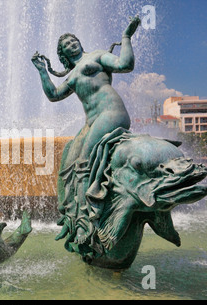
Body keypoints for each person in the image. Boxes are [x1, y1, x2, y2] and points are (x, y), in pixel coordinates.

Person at [32, 16, 141, 247]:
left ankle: (86, 221)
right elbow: (53, 95)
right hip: (92, 122)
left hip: (111, 113)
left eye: (73, 40)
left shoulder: (98, 56)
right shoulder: (71, 76)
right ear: (62, 53)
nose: (71, 44)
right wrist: (42, 71)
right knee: (69, 161)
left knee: (83, 163)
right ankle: (72, 216)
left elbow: (125, 65)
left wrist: (126, 37)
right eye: (66, 45)